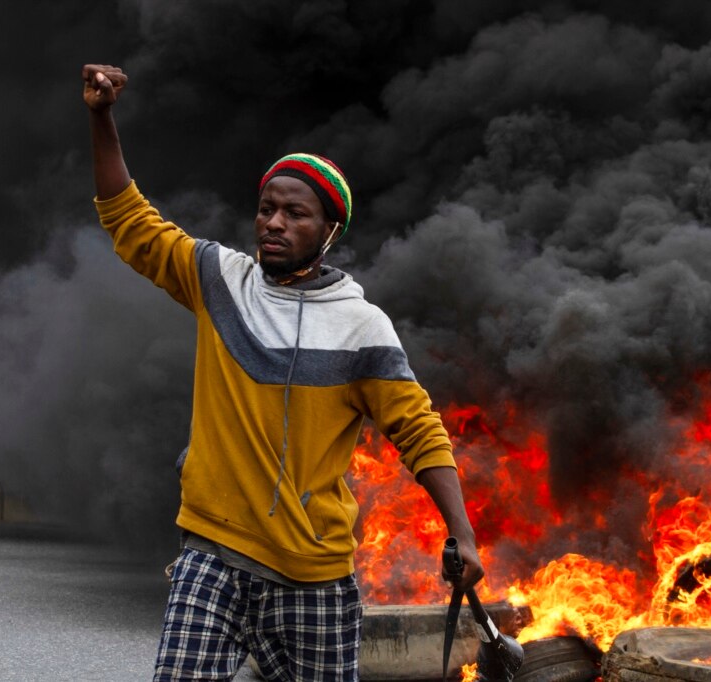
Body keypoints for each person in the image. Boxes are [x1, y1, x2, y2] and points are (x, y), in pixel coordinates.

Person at [81, 64, 484, 681]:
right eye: (267, 209)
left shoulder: (361, 326)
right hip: (211, 553)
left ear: (329, 232)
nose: (273, 223)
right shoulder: (221, 281)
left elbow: (419, 431)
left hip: (313, 575)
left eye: (295, 214)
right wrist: (102, 117)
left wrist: (463, 534)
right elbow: (128, 219)